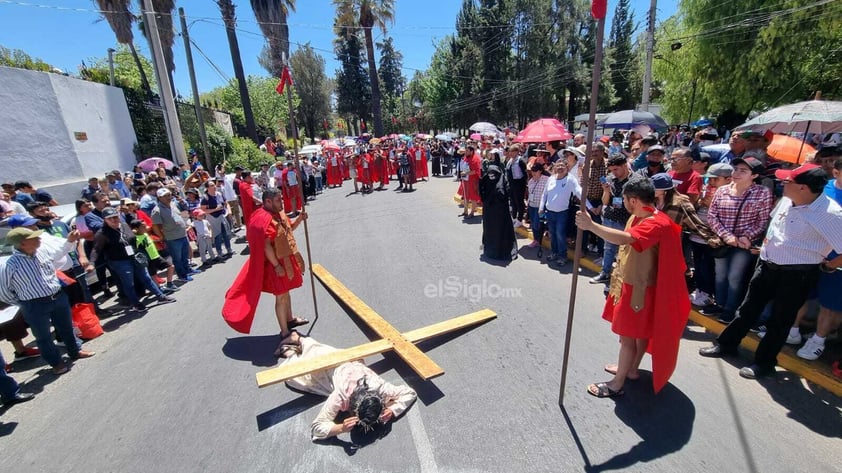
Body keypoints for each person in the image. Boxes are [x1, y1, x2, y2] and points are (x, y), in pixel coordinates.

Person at [699, 163, 842, 379]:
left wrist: (828, 266)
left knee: (779, 321)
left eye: (788, 181)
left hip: (797, 274)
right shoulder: (787, 200)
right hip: (767, 265)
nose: (782, 184)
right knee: (747, 310)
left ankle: (764, 363)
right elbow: (774, 225)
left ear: (803, 188)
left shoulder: (831, 214)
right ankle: (726, 344)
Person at [575, 176, 690, 397]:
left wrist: (591, 226)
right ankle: (631, 369)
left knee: (628, 337)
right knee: (636, 334)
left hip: (640, 289)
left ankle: (617, 383)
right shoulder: (640, 215)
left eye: (625, 198)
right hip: (631, 283)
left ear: (634, 200)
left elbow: (625, 239)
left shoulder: (656, 223)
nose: (624, 202)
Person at [278, 332, 417, 441]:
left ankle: (289, 351)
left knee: (313, 351)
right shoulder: (340, 395)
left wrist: (393, 410)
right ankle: (295, 343)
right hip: (330, 368)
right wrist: (341, 428)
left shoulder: (380, 388)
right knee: (295, 376)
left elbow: (410, 393)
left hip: (350, 363)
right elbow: (316, 427)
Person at [222, 188, 310, 356]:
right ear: (268, 202)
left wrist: (299, 218)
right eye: (278, 200)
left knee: (286, 293)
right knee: (281, 297)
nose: (281, 203)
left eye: (281, 199)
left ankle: (290, 319)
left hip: (286, 260)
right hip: (275, 264)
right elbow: (266, 245)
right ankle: (284, 331)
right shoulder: (263, 218)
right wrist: (277, 265)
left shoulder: (278, 213)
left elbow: (289, 228)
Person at [0, 227, 95, 375]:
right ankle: (56, 363)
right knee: (43, 337)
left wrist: (70, 241)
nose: (39, 239)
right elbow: (4, 291)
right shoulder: (9, 265)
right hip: (34, 305)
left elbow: (60, 252)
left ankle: (75, 351)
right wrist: (24, 303)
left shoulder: (42, 252)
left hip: (58, 297)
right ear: (23, 243)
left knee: (66, 328)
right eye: (34, 238)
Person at [702, 157, 774, 323]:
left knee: (735, 276)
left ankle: (730, 308)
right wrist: (727, 236)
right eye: (736, 169)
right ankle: (719, 304)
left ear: (754, 175)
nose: (737, 173)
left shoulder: (762, 193)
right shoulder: (722, 191)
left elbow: (762, 221)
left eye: (743, 171)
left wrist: (745, 237)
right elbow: (712, 216)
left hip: (744, 244)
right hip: (722, 241)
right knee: (720, 274)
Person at [91, 208, 176, 312]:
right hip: (120, 261)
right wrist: (91, 263)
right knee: (128, 283)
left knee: (146, 278)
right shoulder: (102, 233)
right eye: (110, 218)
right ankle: (136, 304)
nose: (114, 220)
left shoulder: (124, 225)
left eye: (115, 217)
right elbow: (96, 249)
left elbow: (133, 237)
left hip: (135, 257)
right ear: (105, 220)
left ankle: (161, 296)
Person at [591, 154, 633, 285]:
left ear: (625, 166)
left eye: (616, 169)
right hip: (609, 218)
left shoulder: (635, 181)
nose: (614, 173)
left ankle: (622, 278)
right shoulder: (610, 179)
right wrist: (606, 191)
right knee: (608, 248)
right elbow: (605, 202)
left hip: (625, 221)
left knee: (625, 251)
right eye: (611, 170)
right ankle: (605, 273)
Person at [539, 161, 582, 265]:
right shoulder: (551, 178)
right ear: (555, 167)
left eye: (562, 165)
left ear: (566, 167)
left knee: (560, 234)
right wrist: (541, 207)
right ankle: (554, 253)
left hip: (562, 213)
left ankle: (563, 256)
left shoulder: (570, 179)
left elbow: (579, 192)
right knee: (552, 234)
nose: (560, 167)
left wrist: (589, 206)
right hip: (549, 212)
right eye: (558, 165)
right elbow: (544, 194)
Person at [151, 188, 198, 283]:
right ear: (159, 198)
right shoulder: (157, 211)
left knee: (184, 255)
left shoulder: (172, 204)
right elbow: (156, 226)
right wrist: (161, 236)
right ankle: (182, 275)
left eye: (169, 195)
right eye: (165, 196)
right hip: (172, 238)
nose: (168, 197)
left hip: (182, 234)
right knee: (177, 258)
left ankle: (188, 270)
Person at [479, 151, 517, 261]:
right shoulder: (485, 181)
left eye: (493, 174)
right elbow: (482, 193)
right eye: (489, 173)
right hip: (489, 214)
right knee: (489, 231)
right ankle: (489, 247)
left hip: (501, 213)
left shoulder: (503, 181)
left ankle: (500, 250)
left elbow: (508, 194)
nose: (491, 176)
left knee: (501, 232)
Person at [525, 163, 549, 248]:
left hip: (541, 207)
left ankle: (538, 240)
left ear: (540, 171)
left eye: (535, 171)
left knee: (538, 224)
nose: (533, 172)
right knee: (534, 223)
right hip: (532, 205)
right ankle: (536, 240)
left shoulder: (547, 180)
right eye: (532, 171)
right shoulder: (531, 180)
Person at [505, 144, 528, 227]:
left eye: (512, 151)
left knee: (519, 202)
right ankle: (514, 217)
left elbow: (525, 174)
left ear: (517, 152)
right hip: (511, 184)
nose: (510, 153)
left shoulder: (520, 161)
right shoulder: (510, 161)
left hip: (519, 184)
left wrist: (524, 184)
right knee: (513, 202)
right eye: (510, 151)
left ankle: (519, 219)